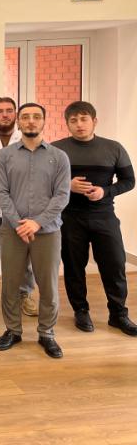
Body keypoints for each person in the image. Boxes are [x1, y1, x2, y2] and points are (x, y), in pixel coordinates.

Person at [53, 101, 137, 336]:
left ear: (94, 121)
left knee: (115, 264)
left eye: (84, 119)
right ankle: (81, 310)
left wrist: (105, 191)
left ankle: (118, 314)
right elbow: (43, 181)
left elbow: (129, 181)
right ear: (67, 123)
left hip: (104, 215)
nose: (79, 124)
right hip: (69, 217)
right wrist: (67, 185)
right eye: (73, 120)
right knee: (73, 266)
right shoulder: (56, 150)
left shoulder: (113, 148)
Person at [0, 103, 70, 358]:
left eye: (36, 117)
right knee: (10, 283)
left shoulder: (59, 157)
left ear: (44, 121)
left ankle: (47, 333)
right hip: (12, 231)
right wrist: (19, 223)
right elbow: (1, 193)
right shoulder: (5, 155)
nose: (30, 121)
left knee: (48, 285)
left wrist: (36, 223)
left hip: (47, 232)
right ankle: (12, 330)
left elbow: (62, 196)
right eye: (25, 117)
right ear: (18, 122)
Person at [0, 97, 37, 316]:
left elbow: (30, 169)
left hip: (19, 209)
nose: (4, 115)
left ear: (16, 115)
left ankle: (24, 294)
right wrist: (10, 163)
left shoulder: (27, 137)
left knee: (22, 255)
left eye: (9, 110)